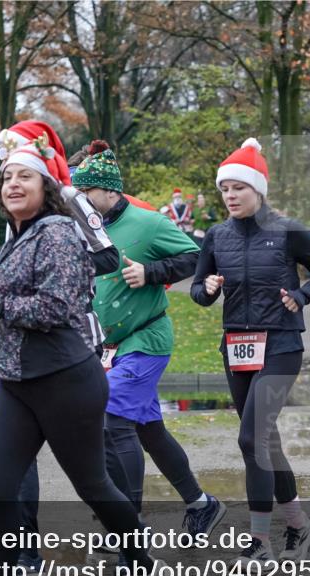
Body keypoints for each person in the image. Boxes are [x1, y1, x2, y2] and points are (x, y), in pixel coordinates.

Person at [0, 138, 168, 576]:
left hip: (66, 379)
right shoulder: (15, 235)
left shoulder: (57, 232)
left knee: (92, 484)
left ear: (46, 186)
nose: (12, 184)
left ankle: (144, 570)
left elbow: (58, 307)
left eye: (23, 176)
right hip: (18, 382)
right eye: (6, 177)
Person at [71, 141, 226, 538]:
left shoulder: (149, 223)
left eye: (87, 194)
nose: (82, 201)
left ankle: (127, 527)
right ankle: (200, 504)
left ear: (109, 191)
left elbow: (197, 257)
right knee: (148, 429)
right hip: (109, 348)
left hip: (147, 339)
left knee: (114, 421)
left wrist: (150, 272)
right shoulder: (86, 228)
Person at [191, 138, 310, 564]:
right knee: (265, 441)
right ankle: (299, 525)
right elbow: (198, 291)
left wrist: (303, 294)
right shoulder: (216, 236)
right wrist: (208, 288)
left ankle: (260, 544)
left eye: (239, 188)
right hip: (236, 346)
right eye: (225, 189)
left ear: (258, 190)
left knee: (251, 438)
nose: (231, 196)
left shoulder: (288, 230)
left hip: (281, 344)